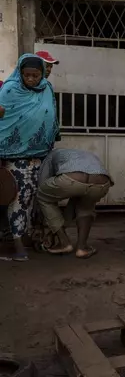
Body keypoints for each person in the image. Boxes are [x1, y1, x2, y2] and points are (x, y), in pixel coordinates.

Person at [0, 54, 58, 262]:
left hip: (40, 156)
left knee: (33, 200)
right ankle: (17, 247)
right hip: (15, 157)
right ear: (20, 73)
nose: (31, 79)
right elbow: (4, 121)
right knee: (18, 200)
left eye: (36, 75)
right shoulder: (10, 89)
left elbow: (51, 114)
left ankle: (24, 238)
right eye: (27, 75)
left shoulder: (46, 88)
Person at [36, 148, 113, 259]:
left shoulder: (49, 156)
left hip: (73, 180)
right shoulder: (82, 153)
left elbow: (43, 183)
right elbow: (72, 206)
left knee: (43, 196)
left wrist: (42, 224)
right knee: (85, 208)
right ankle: (82, 248)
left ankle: (64, 242)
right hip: (102, 182)